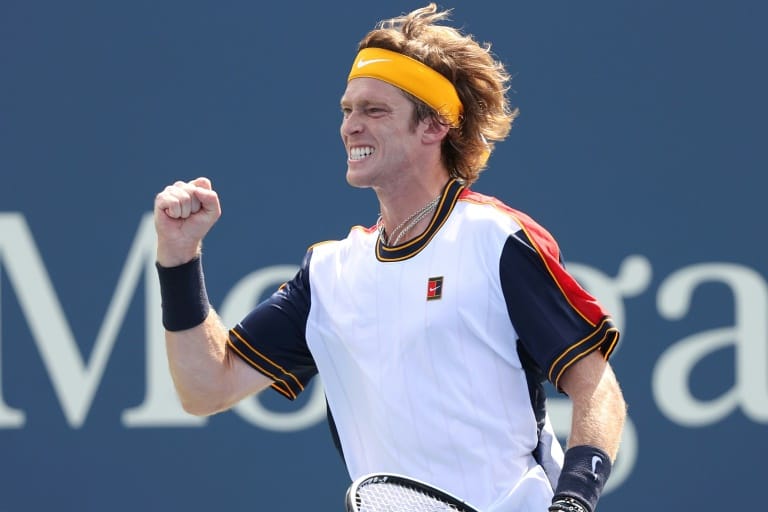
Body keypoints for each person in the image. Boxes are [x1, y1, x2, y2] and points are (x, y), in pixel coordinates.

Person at [153, 4, 626, 512]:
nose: (350, 127)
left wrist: (574, 500)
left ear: (434, 126)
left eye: (374, 111)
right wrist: (179, 257)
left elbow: (597, 387)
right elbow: (206, 388)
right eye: (347, 110)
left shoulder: (497, 239)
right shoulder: (328, 275)